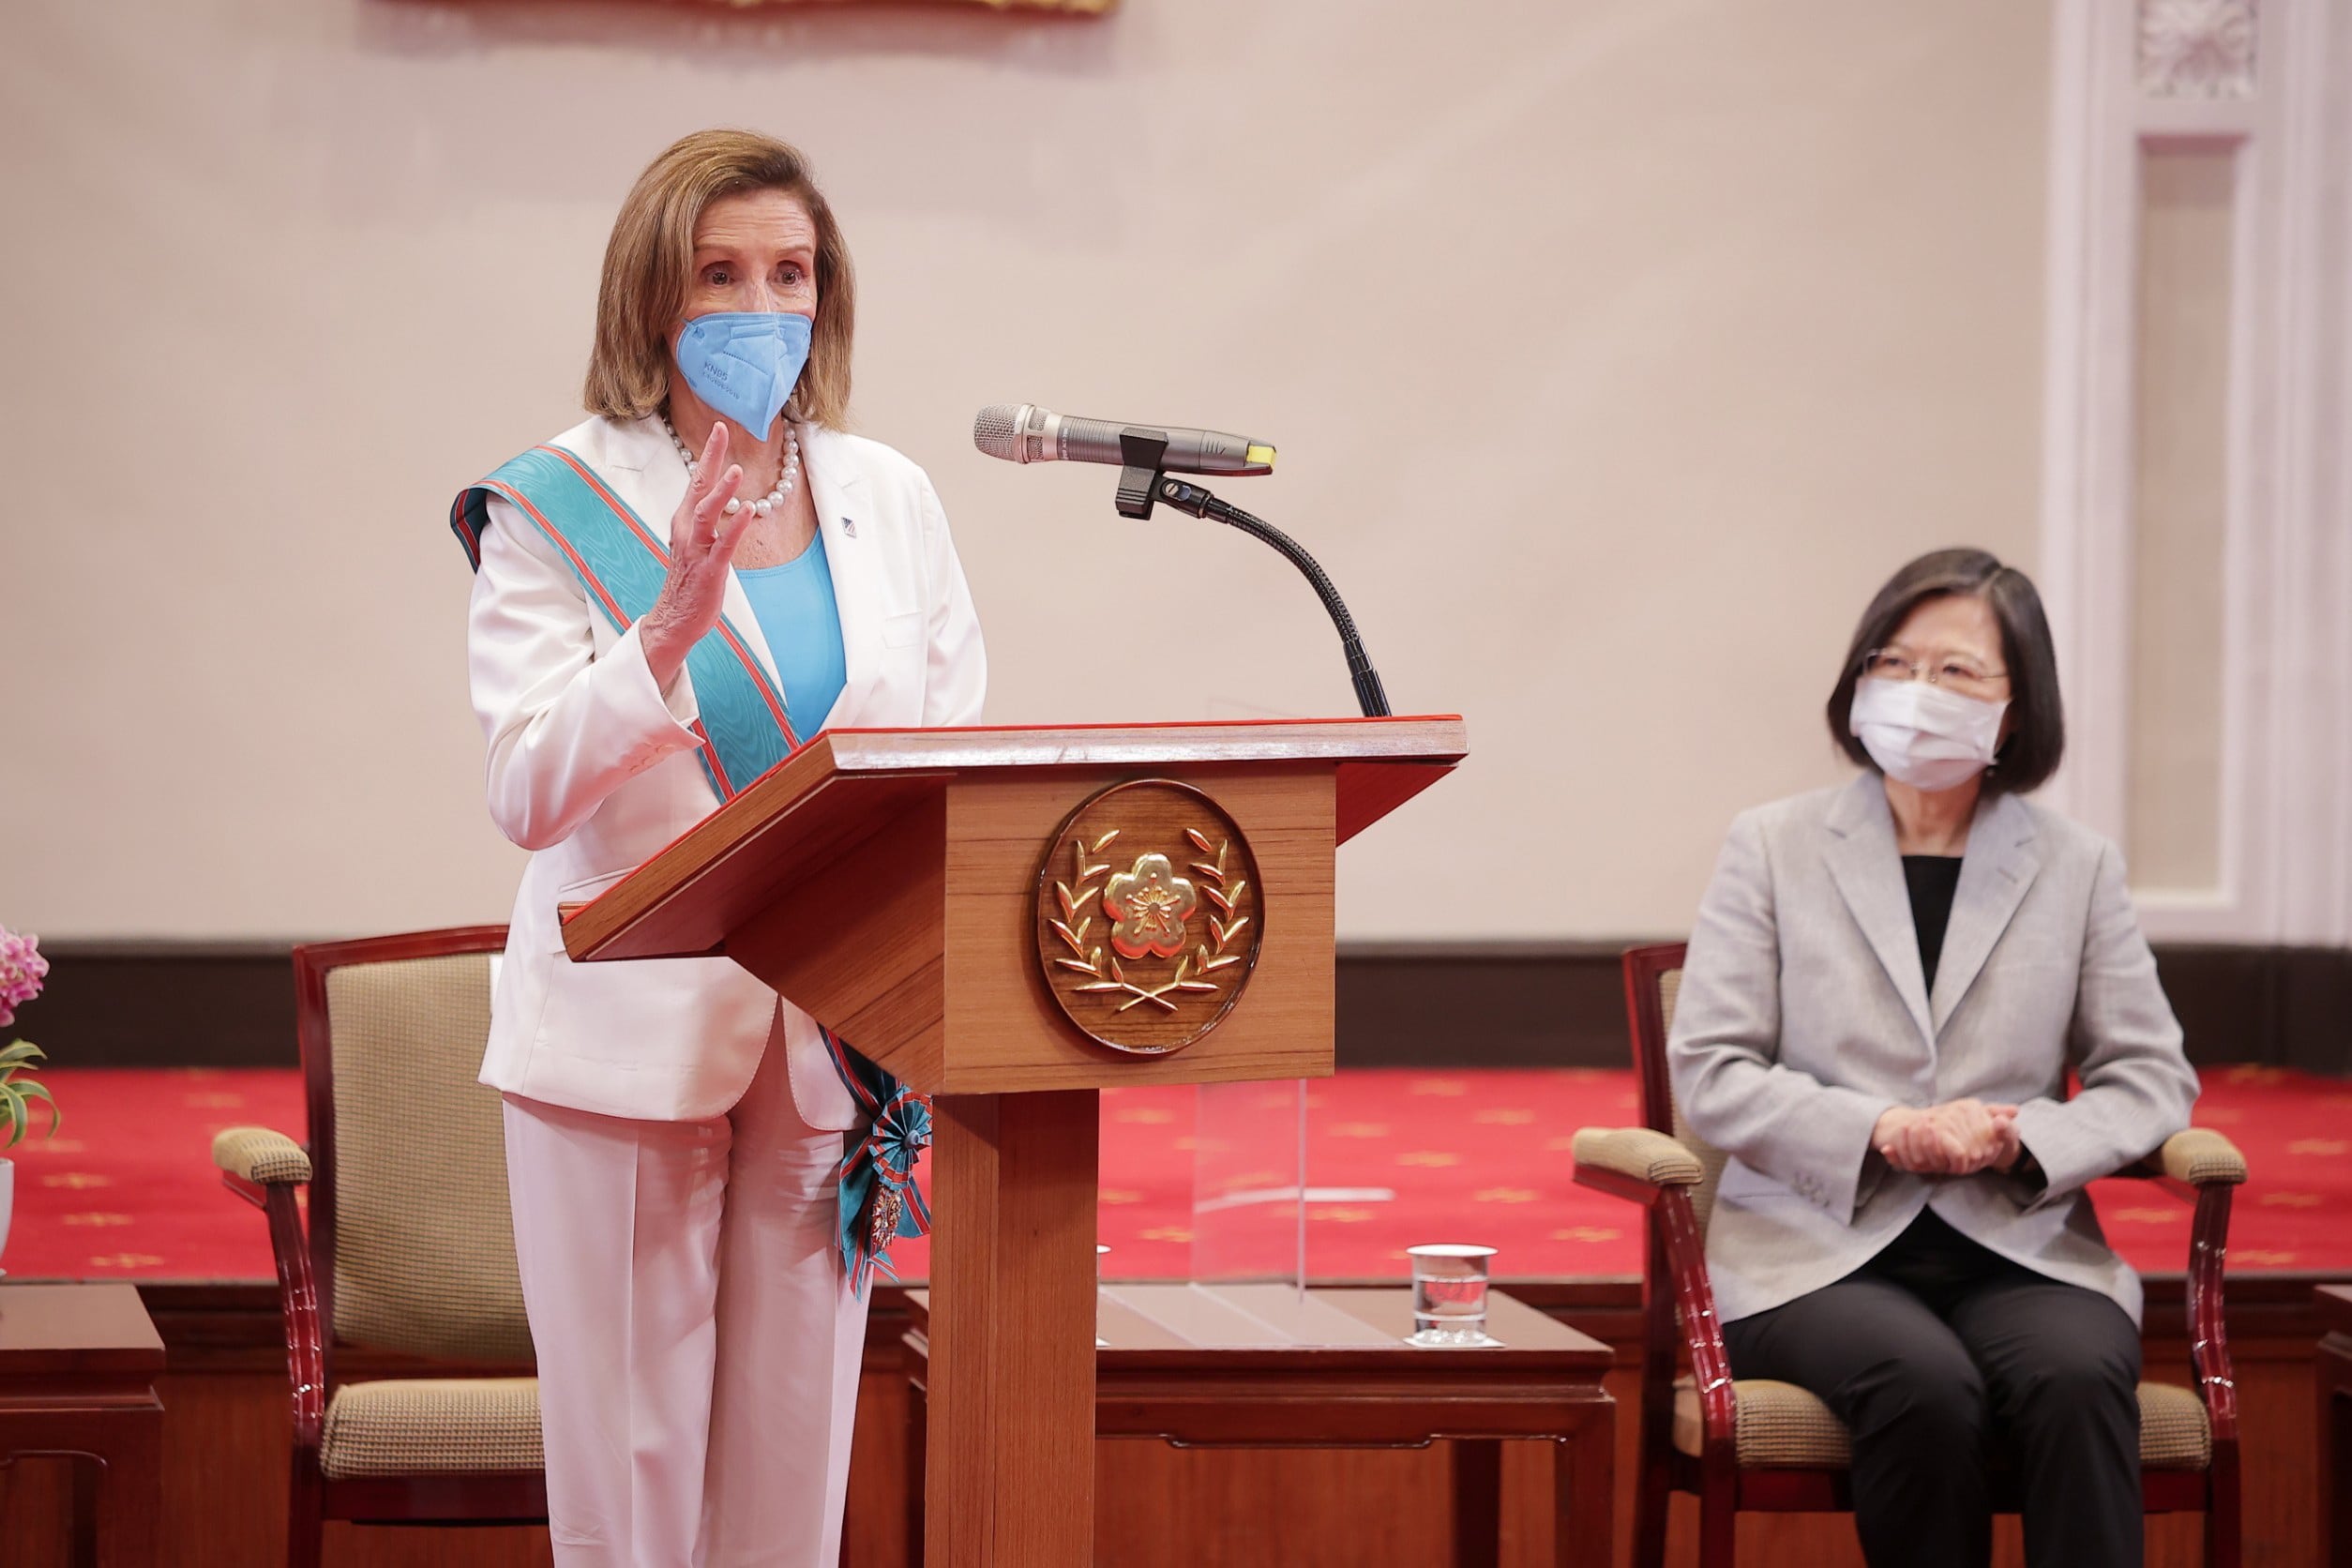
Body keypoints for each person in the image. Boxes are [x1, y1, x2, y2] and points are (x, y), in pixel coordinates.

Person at [449, 129, 985, 1567]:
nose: (763, 305)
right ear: (652, 296)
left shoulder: (892, 495)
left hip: (827, 1040)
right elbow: (526, 789)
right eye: (721, 273)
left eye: (791, 272)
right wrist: (664, 642)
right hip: (622, 1046)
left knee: (790, 1479)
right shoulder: (557, 500)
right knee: (633, 1486)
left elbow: (947, 755)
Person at [1666, 548, 2197, 1568]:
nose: (1918, 692)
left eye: (1957, 671)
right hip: (1813, 1251)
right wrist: (1883, 1128)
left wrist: (2022, 1137)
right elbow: (1715, 1067)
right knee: (1921, 1383)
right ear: (1858, 680)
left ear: (2017, 707)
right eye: (1895, 661)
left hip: (2018, 1242)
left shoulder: (2076, 865)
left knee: (2082, 1375)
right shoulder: (1772, 846)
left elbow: (2150, 1076)